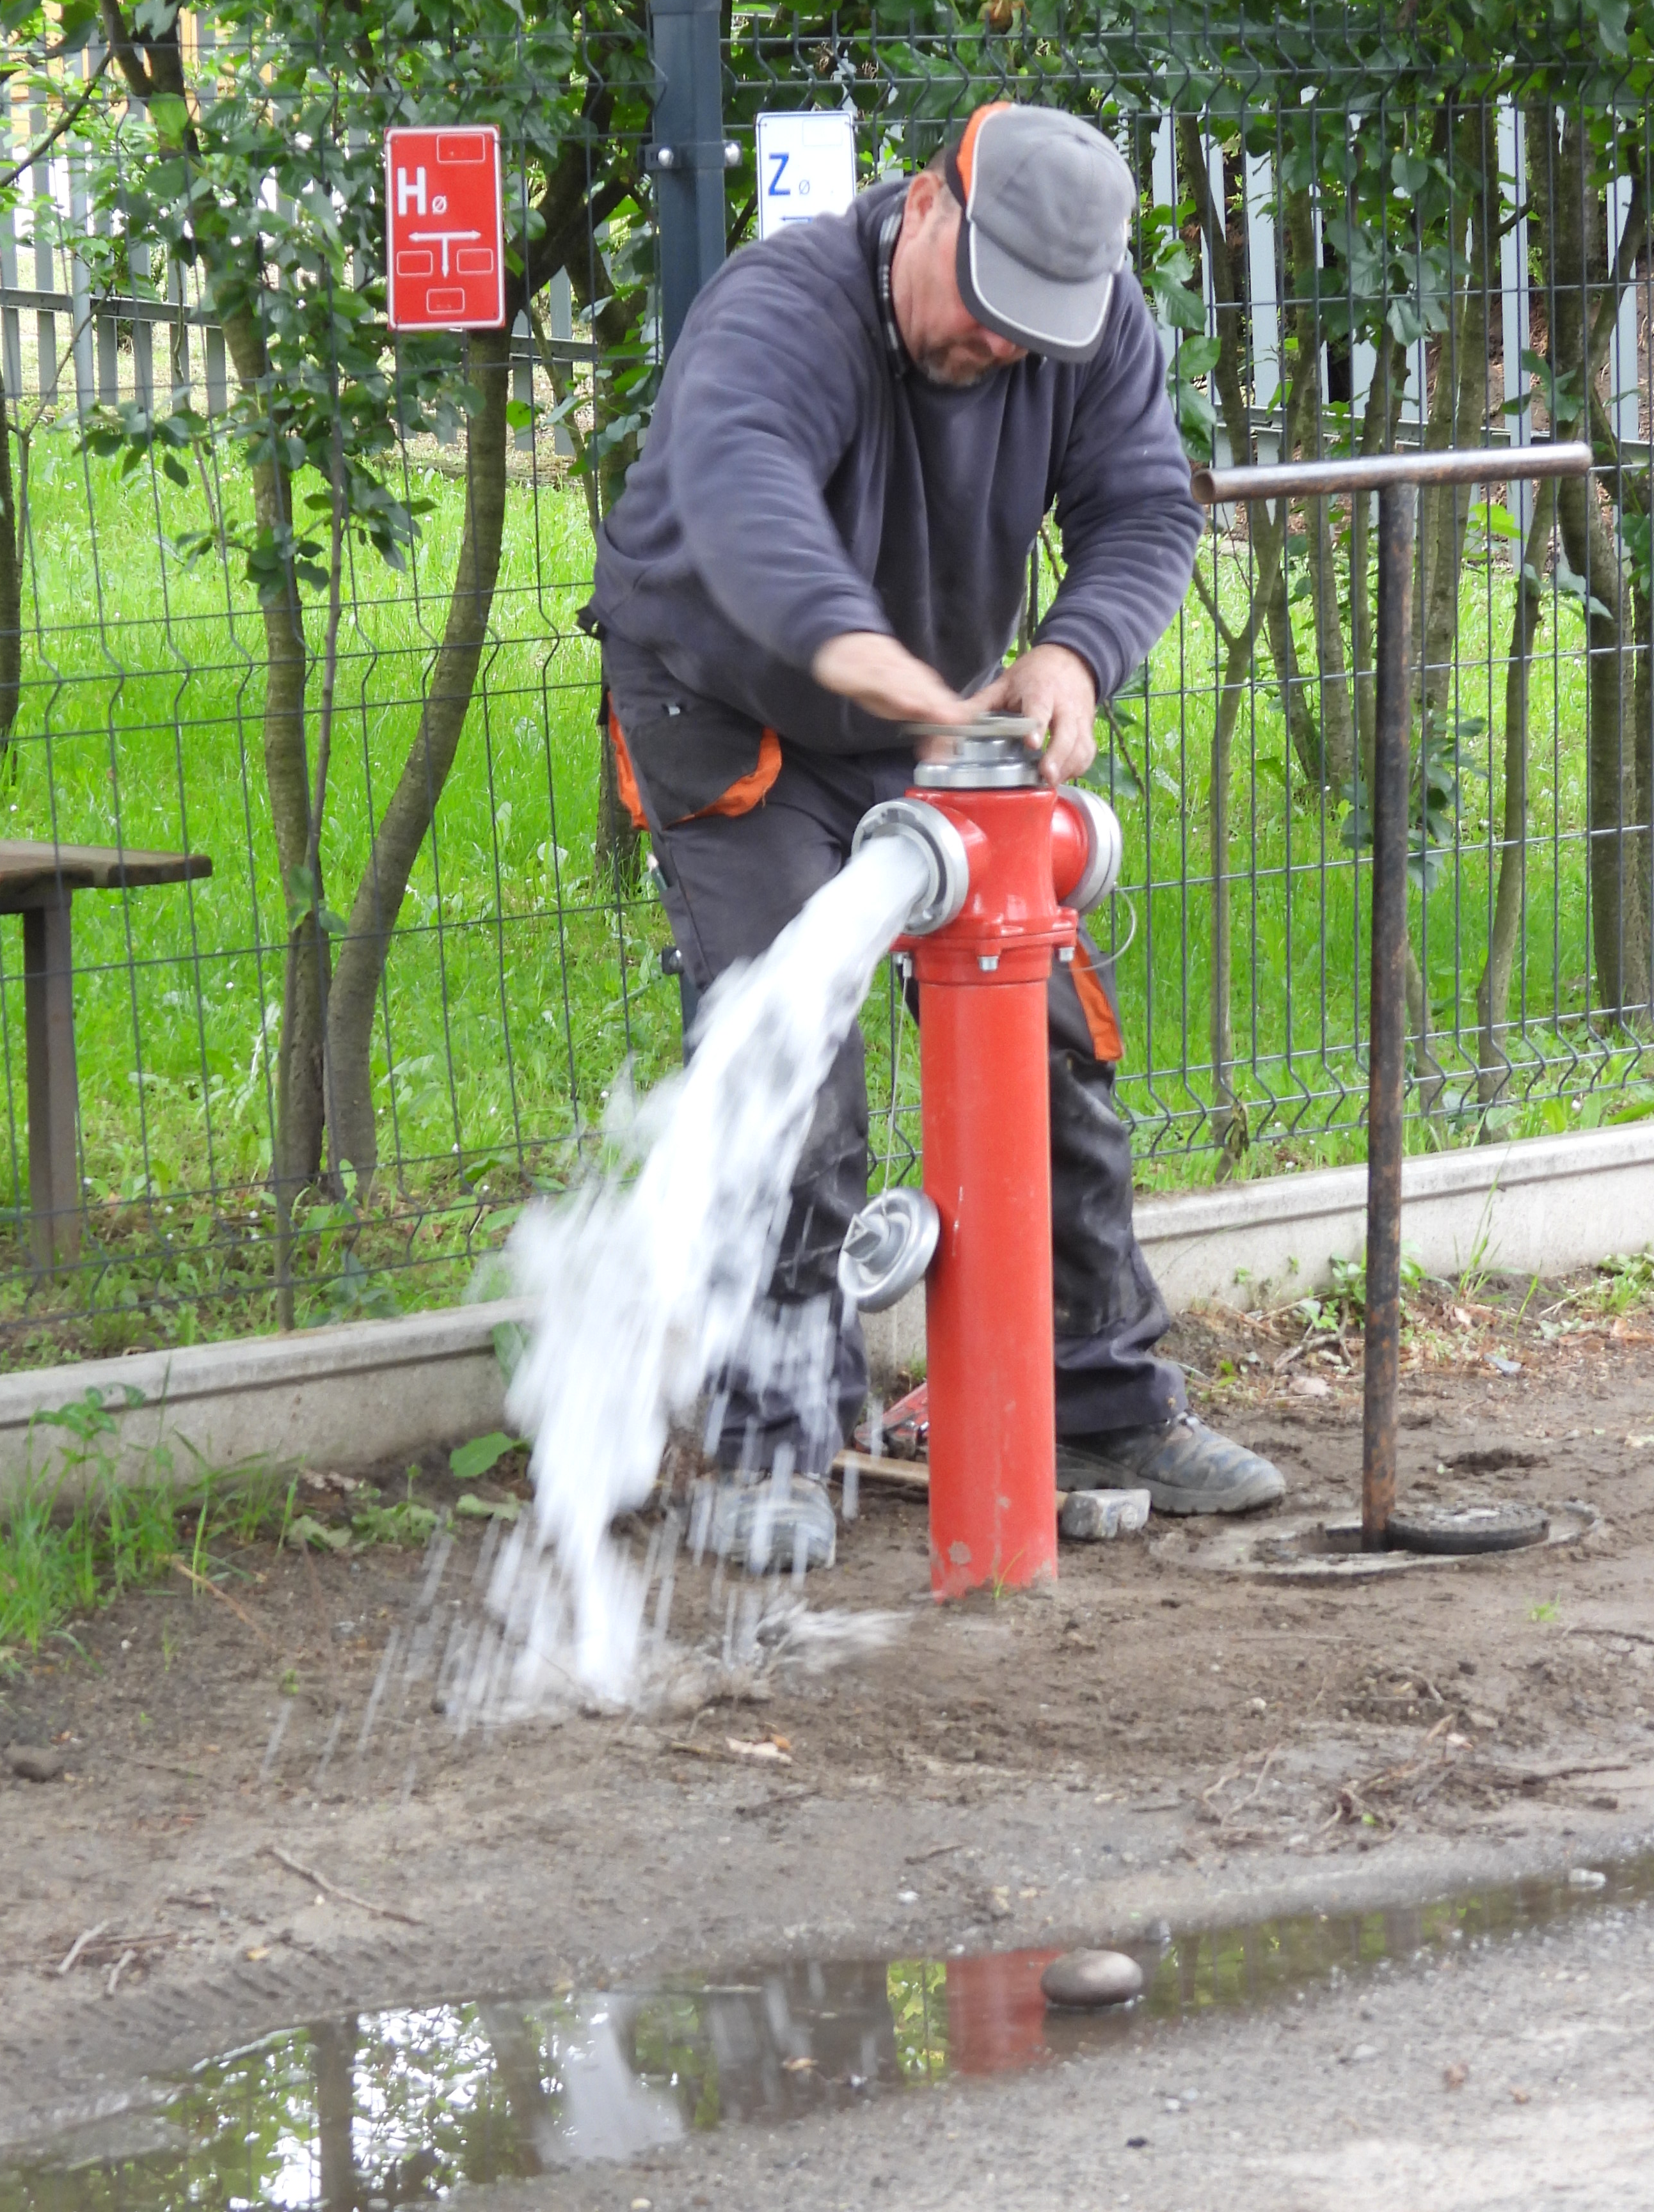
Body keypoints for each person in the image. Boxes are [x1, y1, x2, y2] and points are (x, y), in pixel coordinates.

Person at [583, 102, 1285, 1557]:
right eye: (982, 312)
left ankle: (1098, 1390)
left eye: (1037, 333)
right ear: (923, 209)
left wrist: (1078, 652)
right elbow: (744, 493)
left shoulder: (1088, 326)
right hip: (736, 715)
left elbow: (1147, 506)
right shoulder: (782, 308)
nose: (1000, 348)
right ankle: (775, 1444)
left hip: (938, 725)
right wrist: (871, 660)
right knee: (793, 1043)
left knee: (1047, 1030)